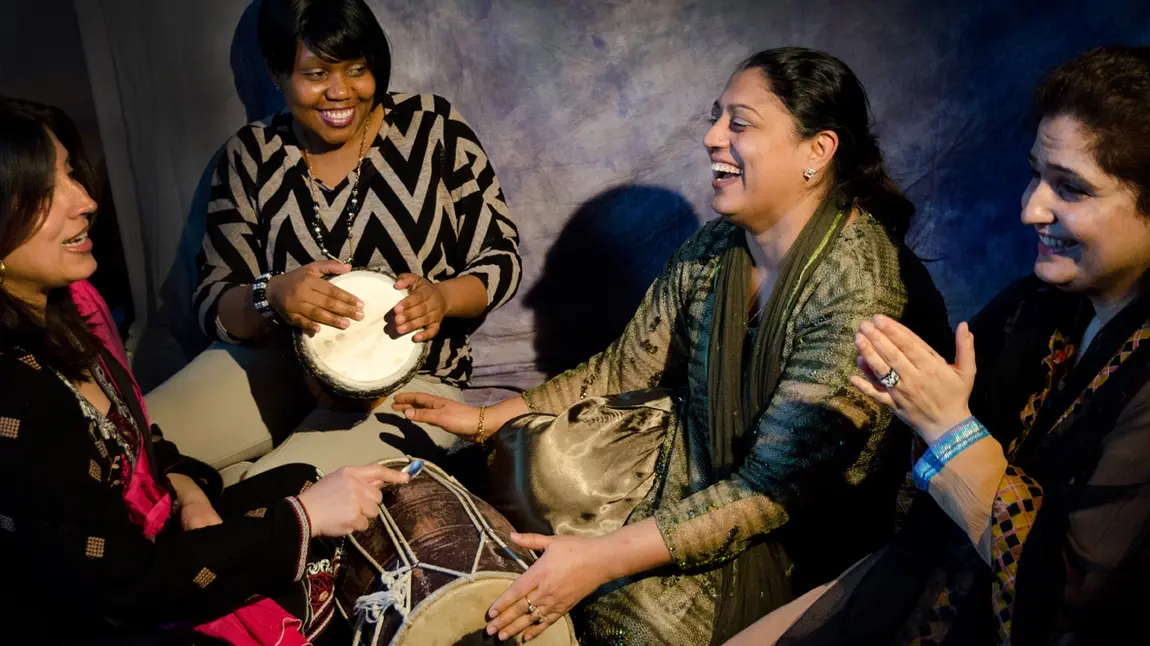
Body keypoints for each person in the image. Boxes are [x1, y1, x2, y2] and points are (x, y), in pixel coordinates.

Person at [393, 47, 951, 645]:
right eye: (717, 118)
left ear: (817, 151)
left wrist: (605, 558)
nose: (712, 137)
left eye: (739, 124)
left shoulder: (859, 291)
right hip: (686, 467)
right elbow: (625, 366)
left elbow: (769, 493)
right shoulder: (718, 245)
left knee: (627, 620)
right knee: (522, 465)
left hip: (786, 542)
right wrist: (482, 420)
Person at [728, 45, 1150, 646]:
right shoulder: (1033, 305)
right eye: (1036, 173)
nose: (1031, 208)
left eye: (1072, 189)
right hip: (911, 572)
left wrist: (947, 429)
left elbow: (1073, 596)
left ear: (821, 152)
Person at [0, 97, 412, 644]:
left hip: (153, 537)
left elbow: (134, 443)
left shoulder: (70, 306)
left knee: (300, 481)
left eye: (73, 175)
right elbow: (120, 588)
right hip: (117, 612)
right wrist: (302, 519)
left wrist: (189, 492)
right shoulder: (15, 397)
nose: (87, 201)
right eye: (47, 191)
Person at [190, 0, 521, 476]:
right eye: (317, 73)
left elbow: (501, 256)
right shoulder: (251, 155)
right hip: (279, 367)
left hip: (416, 382)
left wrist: (442, 298)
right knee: (133, 449)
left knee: (270, 493)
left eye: (357, 69)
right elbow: (211, 299)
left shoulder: (432, 128)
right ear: (277, 72)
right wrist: (273, 294)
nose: (340, 92)